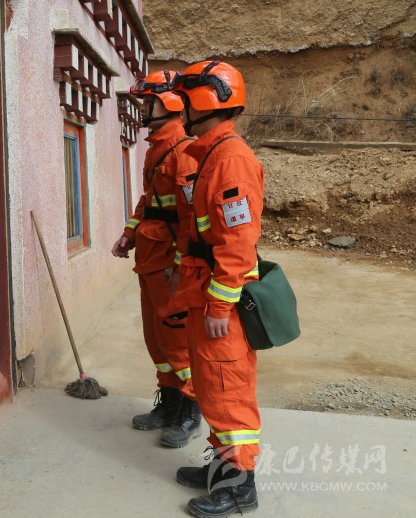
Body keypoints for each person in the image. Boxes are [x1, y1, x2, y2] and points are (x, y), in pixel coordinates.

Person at [169, 61, 264, 517]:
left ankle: (240, 486)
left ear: (205, 101)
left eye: (185, 101)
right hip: (203, 288)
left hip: (220, 297)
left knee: (228, 389)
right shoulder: (212, 155)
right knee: (212, 386)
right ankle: (224, 467)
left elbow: (237, 243)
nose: (181, 111)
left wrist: (221, 305)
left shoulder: (230, 160)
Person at [111, 71, 201, 448]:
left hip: (169, 267)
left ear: (170, 104)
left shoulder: (185, 153)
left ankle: (190, 410)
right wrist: (129, 234)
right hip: (150, 261)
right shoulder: (155, 149)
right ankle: (169, 403)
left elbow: (192, 218)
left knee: (178, 343)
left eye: (149, 102)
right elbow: (148, 201)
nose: (144, 108)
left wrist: (181, 267)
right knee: (157, 341)